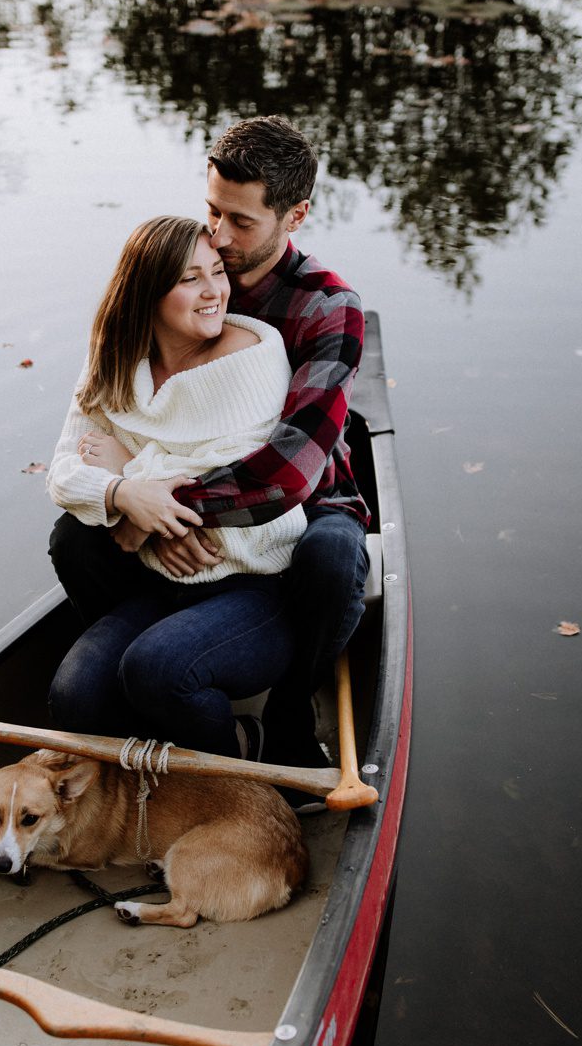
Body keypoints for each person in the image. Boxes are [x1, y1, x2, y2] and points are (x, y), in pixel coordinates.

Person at [48, 116, 370, 773]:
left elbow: (288, 471)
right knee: (71, 540)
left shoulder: (325, 310)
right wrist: (129, 497)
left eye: (240, 223)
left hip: (301, 507)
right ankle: (157, 660)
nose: (219, 240)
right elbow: (86, 446)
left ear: (295, 216)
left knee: (333, 555)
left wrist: (158, 512)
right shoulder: (175, 286)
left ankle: (286, 709)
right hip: (185, 508)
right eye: (211, 212)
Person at [45, 217, 306, 756]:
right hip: (163, 583)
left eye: (218, 272)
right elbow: (66, 476)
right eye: (192, 279)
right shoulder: (113, 363)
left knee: (157, 667)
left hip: (258, 583)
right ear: (148, 293)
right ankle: (151, 761)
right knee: (74, 694)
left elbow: (230, 485)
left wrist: (130, 475)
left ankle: (238, 751)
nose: (215, 292)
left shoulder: (252, 356)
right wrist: (129, 497)